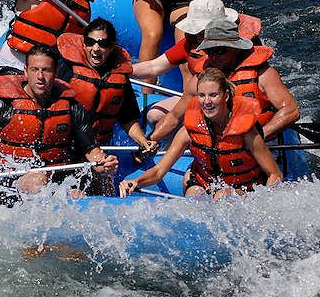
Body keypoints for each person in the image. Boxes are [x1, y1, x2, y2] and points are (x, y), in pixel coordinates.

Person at [0, 45, 118, 195]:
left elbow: (91, 149)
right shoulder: (1, 107)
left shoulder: (72, 107)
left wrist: (104, 163)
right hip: (14, 180)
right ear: (25, 71)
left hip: (59, 176)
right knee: (38, 181)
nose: (40, 76)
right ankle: (63, 195)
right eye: (35, 70)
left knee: (103, 180)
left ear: (55, 72)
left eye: (46, 70)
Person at [119, 68, 282, 199]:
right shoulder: (189, 129)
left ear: (225, 96)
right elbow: (159, 171)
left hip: (241, 186)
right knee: (194, 198)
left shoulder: (246, 132)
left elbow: (274, 174)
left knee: (222, 197)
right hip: (204, 181)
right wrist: (136, 181)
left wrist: (265, 205)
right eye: (202, 95)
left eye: (213, 95)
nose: (207, 101)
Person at [148, 18, 300, 144]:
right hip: (219, 147)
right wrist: (150, 139)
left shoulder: (263, 74)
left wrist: (258, 137)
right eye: (209, 50)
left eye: (220, 50)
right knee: (189, 179)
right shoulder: (200, 79)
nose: (214, 56)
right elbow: (175, 117)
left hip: (261, 144)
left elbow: (291, 111)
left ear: (236, 48)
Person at [131, 0, 262, 123]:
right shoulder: (190, 43)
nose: (197, 35)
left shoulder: (241, 44)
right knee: (154, 115)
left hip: (235, 101)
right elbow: (154, 67)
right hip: (203, 99)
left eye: (201, 31)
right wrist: (123, 70)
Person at [57, 18, 159, 159]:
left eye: (103, 44)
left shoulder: (119, 76)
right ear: (84, 45)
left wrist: (144, 141)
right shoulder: (67, 67)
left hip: (99, 148)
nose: (95, 49)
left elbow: (127, 118)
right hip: (65, 144)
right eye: (90, 42)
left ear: (111, 47)